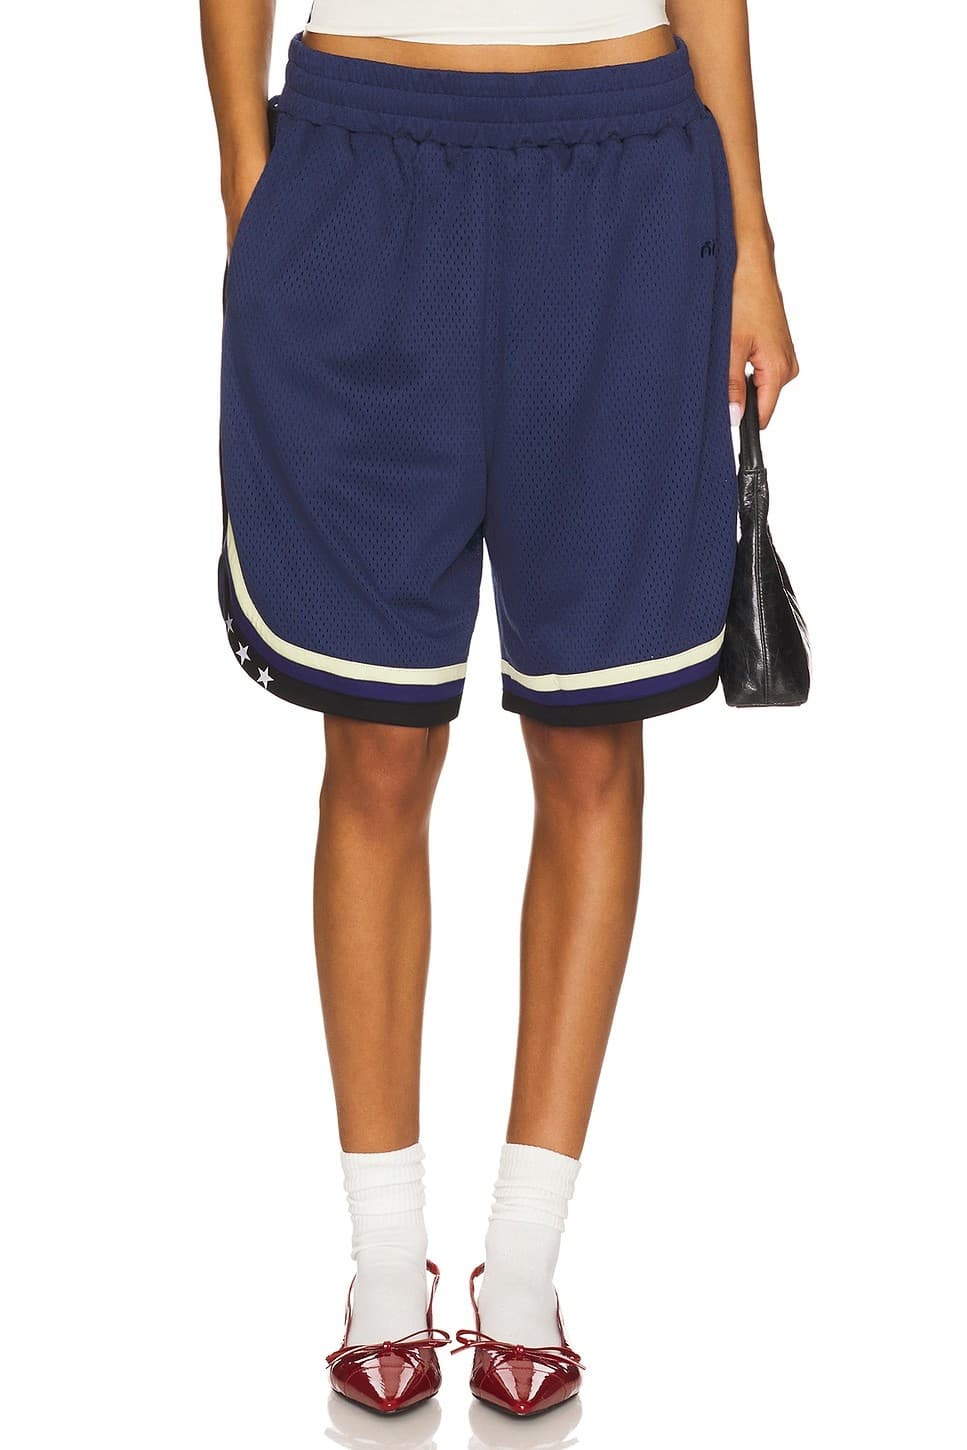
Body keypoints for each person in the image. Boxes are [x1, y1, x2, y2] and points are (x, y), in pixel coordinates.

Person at [201, 0, 798, 1419]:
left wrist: (755, 242)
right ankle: (384, 1263)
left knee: (589, 739)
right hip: (360, 156)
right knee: (378, 746)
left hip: (622, 166)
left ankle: (523, 1264)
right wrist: (246, 185)